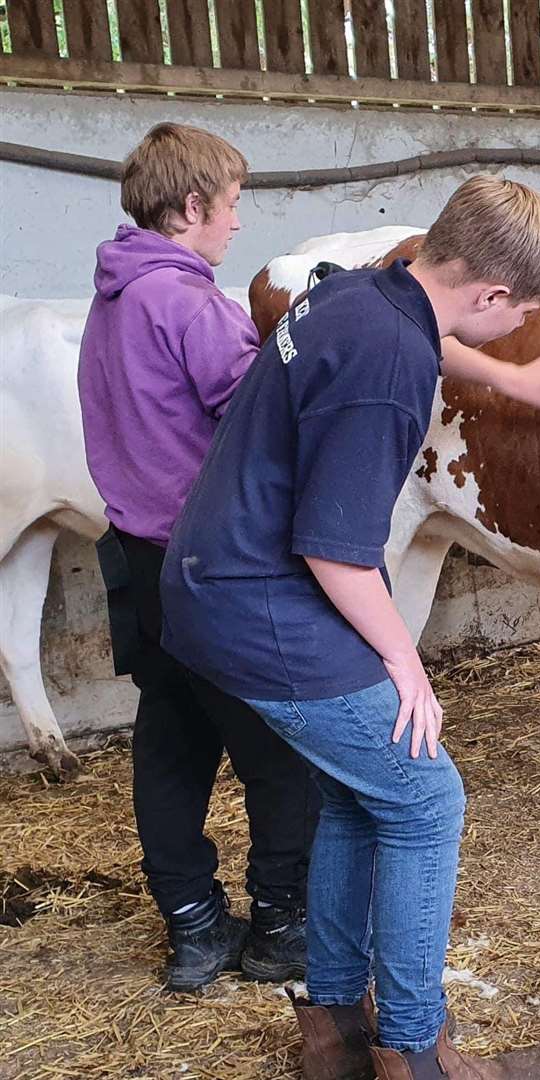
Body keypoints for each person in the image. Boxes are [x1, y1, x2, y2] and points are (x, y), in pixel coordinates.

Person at [159, 176, 540, 1079]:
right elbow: (336, 551)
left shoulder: (366, 290)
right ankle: (414, 1051)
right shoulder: (387, 371)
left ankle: (338, 1033)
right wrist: (406, 661)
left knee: (367, 792)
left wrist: (510, 375)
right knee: (429, 798)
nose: (521, 331)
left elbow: (433, 337)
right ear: (492, 295)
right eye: (524, 318)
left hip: (213, 577)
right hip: (261, 601)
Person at [77, 122, 316, 993]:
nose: (237, 226)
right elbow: (252, 417)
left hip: (138, 559)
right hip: (212, 564)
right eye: (231, 206)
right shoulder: (187, 304)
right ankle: (283, 924)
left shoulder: (110, 299)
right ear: (190, 208)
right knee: (280, 747)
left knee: (171, 743)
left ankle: (193, 925)